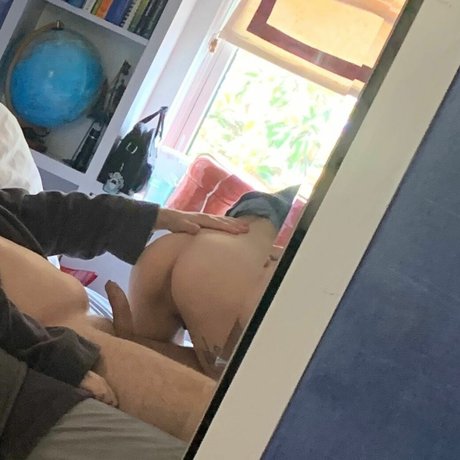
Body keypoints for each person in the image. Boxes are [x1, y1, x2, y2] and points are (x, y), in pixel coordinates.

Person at [0, 187, 248, 459]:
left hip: (81, 345)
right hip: (67, 361)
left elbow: (47, 214)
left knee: (240, 417)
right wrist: (56, 359)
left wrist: (156, 217)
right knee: (238, 435)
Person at [107, 186, 299, 379]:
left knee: (133, 368)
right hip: (234, 256)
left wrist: (131, 341)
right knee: (233, 382)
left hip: (167, 249)